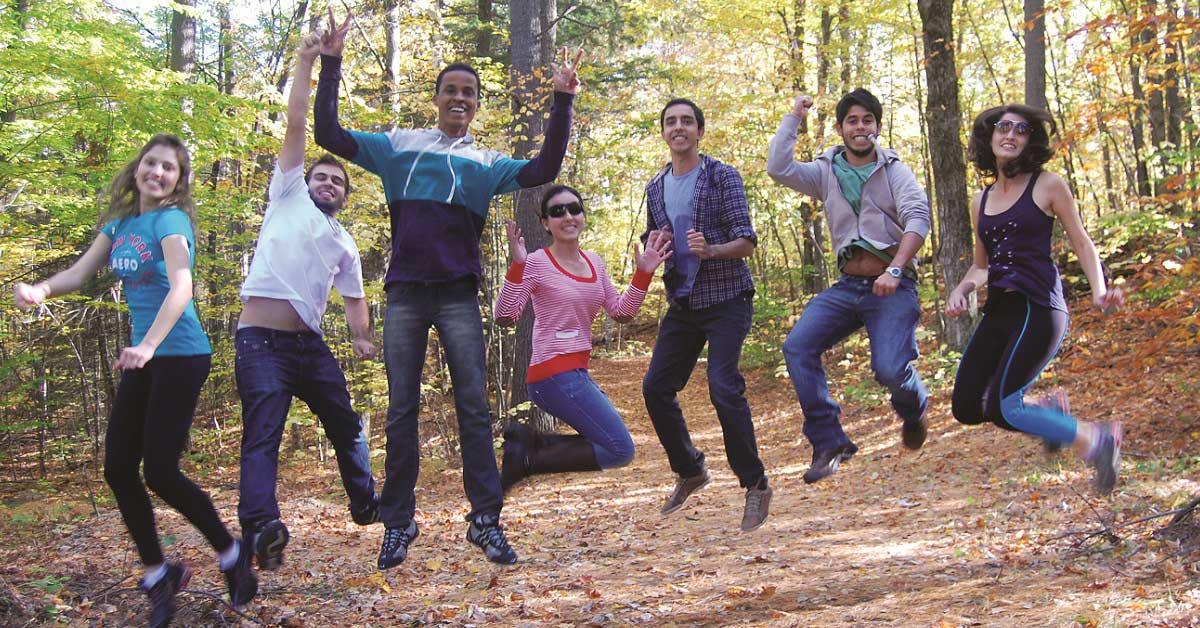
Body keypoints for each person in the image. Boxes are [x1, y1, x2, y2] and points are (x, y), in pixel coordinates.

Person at [313, 9, 582, 568]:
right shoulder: (397, 147)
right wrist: (332, 62)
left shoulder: (486, 163)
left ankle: (484, 520)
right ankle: (398, 523)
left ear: (477, 104)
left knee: (473, 409)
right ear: (436, 98)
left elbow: (546, 166)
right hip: (406, 294)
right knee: (400, 411)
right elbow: (329, 135)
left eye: (469, 93)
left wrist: (562, 100)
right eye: (450, 91)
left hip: (459, 296)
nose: (459, 99)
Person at [13, 134, 256, 626]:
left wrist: (147, 345)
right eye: (152, 163)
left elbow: (182, 285)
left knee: (160, 472)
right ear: (138, 168)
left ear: (179, 180)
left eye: (169, 168)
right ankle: (158, 573)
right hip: (143, 358)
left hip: (180, 354)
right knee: (119, 469)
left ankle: (232, 555)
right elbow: (81, 274)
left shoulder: (171, 221)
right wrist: (41, 288)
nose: (158, 173)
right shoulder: (121, 226)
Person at [235, 31, 382, 574]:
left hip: (310, 347)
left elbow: (354, 299)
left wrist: (362, 337)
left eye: (335, 180)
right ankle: (261, 527)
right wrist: (305, 60)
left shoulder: (345, 243)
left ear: (344, 194)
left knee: (346, 422)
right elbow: (297, 121)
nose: (326, 183)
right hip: (261, 344)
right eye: (320, 175)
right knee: (264, 433)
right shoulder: (287, 192)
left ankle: (366, 502)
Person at [945, 104, 1124, 493]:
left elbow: (1080, 239)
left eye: (1021, 129)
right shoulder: (981, 200)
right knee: (968, 408)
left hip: (1039, 307)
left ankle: (1098, 441)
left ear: (1030, 140)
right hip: (1000, 310)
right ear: (989, 137)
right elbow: (981, 266)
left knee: (1005, 407)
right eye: (1003, 127)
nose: (1010, 134)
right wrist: (962, 289)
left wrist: (1098, 290)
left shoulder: (1047, 185)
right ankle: (1049, 414)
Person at [766, 89, 932, 484]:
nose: (861, 128)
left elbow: (918, 219)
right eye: (853, 121)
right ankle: (829, 442)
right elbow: (778, 168)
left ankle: (914, 407)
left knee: (890, 370)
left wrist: (894, 268)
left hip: (894, 285)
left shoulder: (895, 171)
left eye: (868, 120)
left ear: (877, 126)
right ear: (840, 128)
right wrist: (794, 117)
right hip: (847, 286)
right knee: (798, 346)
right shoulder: (826, 172)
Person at [641, 98, 773, 533]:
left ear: (699, 130)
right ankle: (691, 468)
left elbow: (747, 241)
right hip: (683, 302)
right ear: (663, 132)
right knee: (656, 386)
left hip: (728, 298)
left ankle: (755, 483)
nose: (678, 128)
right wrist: (655, 244)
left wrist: (712, 249)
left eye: (686, 121)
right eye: (670, 122)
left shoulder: (722, 176)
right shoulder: (655, 187)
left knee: (723, 386)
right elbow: (655, 235)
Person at [494, 185, 672, 491]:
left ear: (583, 216)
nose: (567, 216)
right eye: (557, 211)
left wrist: (643, 274)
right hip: (552, 374)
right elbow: (505, 317)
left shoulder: (594, 262)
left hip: (576, 373)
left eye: (574, 208)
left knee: (613, 447)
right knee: (620, 449)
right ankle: (527, 454)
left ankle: (527, 449)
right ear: (545, 223)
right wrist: (518, 265)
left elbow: (621, 312)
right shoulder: (536, 262)